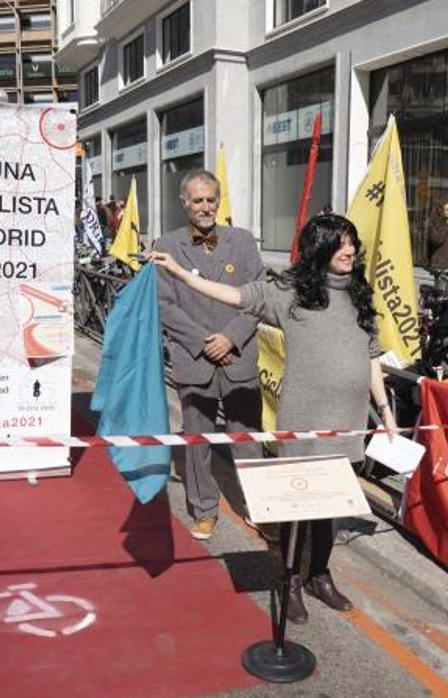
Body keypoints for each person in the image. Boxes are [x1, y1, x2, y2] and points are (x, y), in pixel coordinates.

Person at [150, 213, 398, 624]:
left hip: (349, 424)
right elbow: (233, 296)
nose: (350, 250)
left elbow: (371, 357)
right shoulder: (289, 292)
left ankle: (318, 574)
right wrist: (181, 273)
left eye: (352, 242)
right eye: (340, 244)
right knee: (298, 510)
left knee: (330, 510)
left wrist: (385, 413)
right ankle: (290, 581)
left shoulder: (359, 292)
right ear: (321, 248)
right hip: (304, 424)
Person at [153, 170, 265, 541]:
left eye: (211, 200)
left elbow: (258, 298)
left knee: (245, 437)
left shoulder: (244, 242)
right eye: (197, 200)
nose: (205, 207)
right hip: (194, 358)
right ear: (184, 202)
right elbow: (165, 305)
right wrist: (205, 342)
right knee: (197, 441)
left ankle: (258, 506)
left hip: (238, 355)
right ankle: (203, 509)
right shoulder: (166, 245)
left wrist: (231, 338)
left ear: (219, 201)